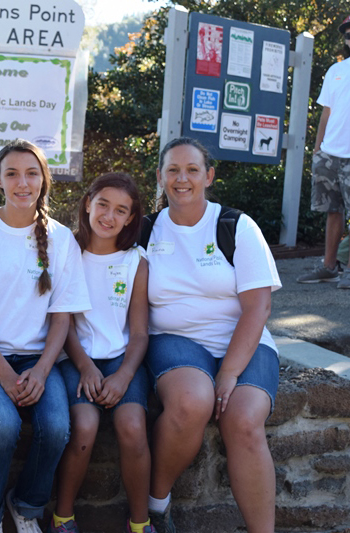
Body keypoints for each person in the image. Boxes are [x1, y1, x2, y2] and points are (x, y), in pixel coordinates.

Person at [143, 138, 281, 533]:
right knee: (191, 402)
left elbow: (258, 308)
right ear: (160, 177)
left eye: (192, 170)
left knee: (243, 420)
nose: (181, 178)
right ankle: (157, 505)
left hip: (245, 339)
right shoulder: (146, 230)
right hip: (174, 338)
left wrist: (230, 372)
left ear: (209, 176)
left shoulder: (235, 226)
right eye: (172, 170)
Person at [0, 139, 91, 533]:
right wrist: (3, 375)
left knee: (54, 429)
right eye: (12, 173)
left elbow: (61, 317)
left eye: (32, 173)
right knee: (4, 425)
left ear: (44, 180)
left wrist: (42, 370)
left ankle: (26, 505)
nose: (22, 182)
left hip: (38, 359)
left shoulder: (62, 239)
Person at [52, 173, 153, 533]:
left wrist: (124, 375)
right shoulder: (67, 253)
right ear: (88, 204)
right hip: (75, 359)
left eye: (121, 210)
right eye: (103, 205)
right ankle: (63, 517)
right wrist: (85, 367)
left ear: (131, 218)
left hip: (121, 361)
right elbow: (63, 325)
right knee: (84, 427)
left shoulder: (135, 262)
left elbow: (140, 331)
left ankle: (140, 523)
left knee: (131, 428)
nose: (109, 216)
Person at [297, 15, 350, 288]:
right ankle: (329, 267)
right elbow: (326, 113)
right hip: (329, 155)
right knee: (333, 212)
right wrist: (317, 151)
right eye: (347, 30)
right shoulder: (335, 70)